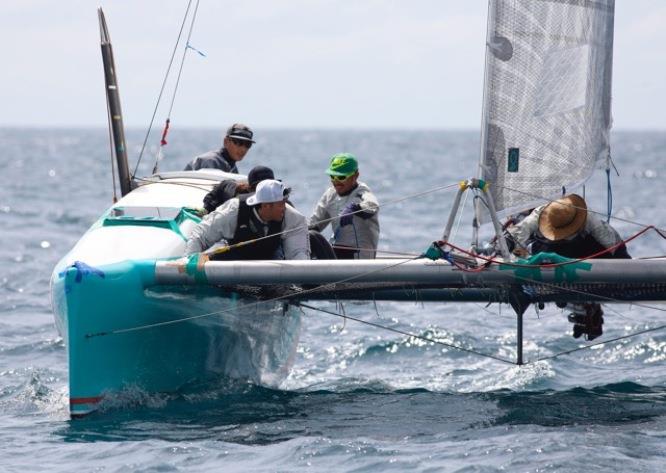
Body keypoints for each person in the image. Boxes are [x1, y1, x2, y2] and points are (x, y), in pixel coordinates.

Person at [505, 193, 631, 340]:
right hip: (550, 250)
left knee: (602, 249)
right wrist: (507, 246)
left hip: (583, 252)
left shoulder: (590, 221)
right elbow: (519, 232)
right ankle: (563, 294)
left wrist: (626, 273)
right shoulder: (539, 215)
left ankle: (587, 308)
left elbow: (616, 246)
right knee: (535, 252)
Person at [185, 179, 309, 260]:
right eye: (281, 204)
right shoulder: (234, 211)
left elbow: (298, 255)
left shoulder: (293, 218)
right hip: (235, 259)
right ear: (266, 205)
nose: (285, 207)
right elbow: (200, 236)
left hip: (271, 262)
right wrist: (189, 264)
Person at [308, 153, 379, 259]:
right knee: (311, 235)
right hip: (336, 252)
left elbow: (373, 205)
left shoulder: (362, 192)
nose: (336, 182)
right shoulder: (330, 194)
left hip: (359, 258)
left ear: (355, 176)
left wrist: (355, 208)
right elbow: (314, 224)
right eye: (333, 176)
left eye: (341, 177)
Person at [184, 123, 255, 172]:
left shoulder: (232, 167)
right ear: (226, 142)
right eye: (239, 142)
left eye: (248, 144)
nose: (243, 149)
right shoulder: (210, 162)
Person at [203, 165, 274, 213]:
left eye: (269, 186)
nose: (265, 191)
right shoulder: (237, 203)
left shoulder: (278, 198)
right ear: (250, 189)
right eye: (261, 187)